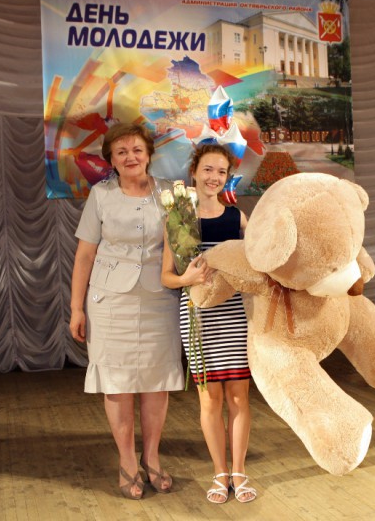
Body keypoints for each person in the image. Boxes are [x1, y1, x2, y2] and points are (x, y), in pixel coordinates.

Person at [70, 123, 183, 500]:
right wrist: (76, 308)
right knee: (117, 383)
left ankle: (152, 457)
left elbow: (186, 244)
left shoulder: (171, 193)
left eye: (136, 149)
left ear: (149, 154)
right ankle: (127, 461)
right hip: (109, 303)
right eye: (121, 152)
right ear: (111, 160)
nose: (130, 157)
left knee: (156, 381)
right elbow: (84, 255)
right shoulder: (100, 195)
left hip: (159, 299)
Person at [161, 144, 258, 504]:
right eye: (207, 170)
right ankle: (220, 473)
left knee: (239, 397)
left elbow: (259, 261)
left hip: (234, 317)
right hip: (198, 319)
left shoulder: (237, 218)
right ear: (194, 172)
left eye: (221, 172)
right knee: (210, 400)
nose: (214, 177)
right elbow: (167, 277)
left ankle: (240, 472)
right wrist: (187, 279)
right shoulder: (177, 220)